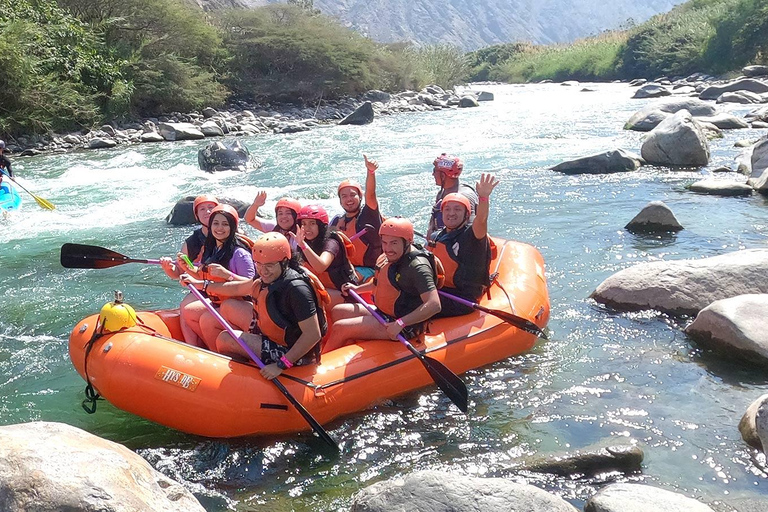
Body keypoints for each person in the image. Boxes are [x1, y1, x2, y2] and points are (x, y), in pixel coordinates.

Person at [186, 233, 327, 380]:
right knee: (226, 311)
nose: (263, 271)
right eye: (258, 264)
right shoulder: (268, 276)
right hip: (274, 336)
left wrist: (281, 364)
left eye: (269, 265)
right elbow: (236, 289)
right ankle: (244, 370)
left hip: (295, 353)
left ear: (285, 261)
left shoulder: (297, 289)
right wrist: (203, 285)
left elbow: (313, 335)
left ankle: (246, 381)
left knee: (226, 339)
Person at [323, 217, 442, 352]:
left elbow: (434, 304)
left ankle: (320, 367)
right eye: (384, 243)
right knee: (338, 311)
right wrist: (357, 289)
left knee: (340, 327)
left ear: (408, 242)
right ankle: (348, 349)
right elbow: (380, 284)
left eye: (394, 243)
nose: (387, 248)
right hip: (384, 314)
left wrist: (400, 323)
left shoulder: (418, 267)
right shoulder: (388, 258)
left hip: (405, 325)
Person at [177, 204, 256, 347]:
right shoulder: (212, 248)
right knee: (189, 311)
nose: (219, 228)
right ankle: (211, 348)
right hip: (220, 300)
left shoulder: (240, 253)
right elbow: (204, 275)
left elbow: (251, 286)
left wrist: (228, 275)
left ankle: (221, 351)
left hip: (240, 305)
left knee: (206, 319)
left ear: (232, 227)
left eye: (225, 224)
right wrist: (187, 269)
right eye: (216, 223)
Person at [428, 173, 499, 317]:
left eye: (457, 209)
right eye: (447, 209)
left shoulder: (472, 235)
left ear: (467, 215)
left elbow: (482, 219)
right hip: (443, 291)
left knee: (411, 303)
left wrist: (484, 198)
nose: (451, 213)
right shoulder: (438, 237)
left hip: (463, 299)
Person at [330, 155, 383, 281]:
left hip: (371, 270)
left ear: (360, 197)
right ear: (340, 201)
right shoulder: (337, 221)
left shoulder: (368, 215)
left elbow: (370, 194)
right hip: (348, 268)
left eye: (352, 195)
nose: (348, 199)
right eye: (344, 196)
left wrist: (371, 172)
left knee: (345, 279)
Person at [294, 204, 358, 306]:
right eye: (304, 224)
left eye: (312, 223)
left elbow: (320, 267)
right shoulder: (305, 243)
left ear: (321, 225)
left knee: (306, 296)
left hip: (343, 293)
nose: (307, 228)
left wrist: (303, 245)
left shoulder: (332, 243)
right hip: (323, 289)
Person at [160, 195, 219, 280]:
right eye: (202, 209)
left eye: (211, 207)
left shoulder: (232, 234)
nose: (208, 211)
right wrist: (168, 267)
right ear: (196, 215)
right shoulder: (191, 243)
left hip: (227, 287)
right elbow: (178, 273)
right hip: (202, 287)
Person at [426, 153, 479, 239]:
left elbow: (471, 231)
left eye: (434, 171)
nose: (433, 174)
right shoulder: (442, 193)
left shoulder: (464, 196)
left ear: (443, 175)